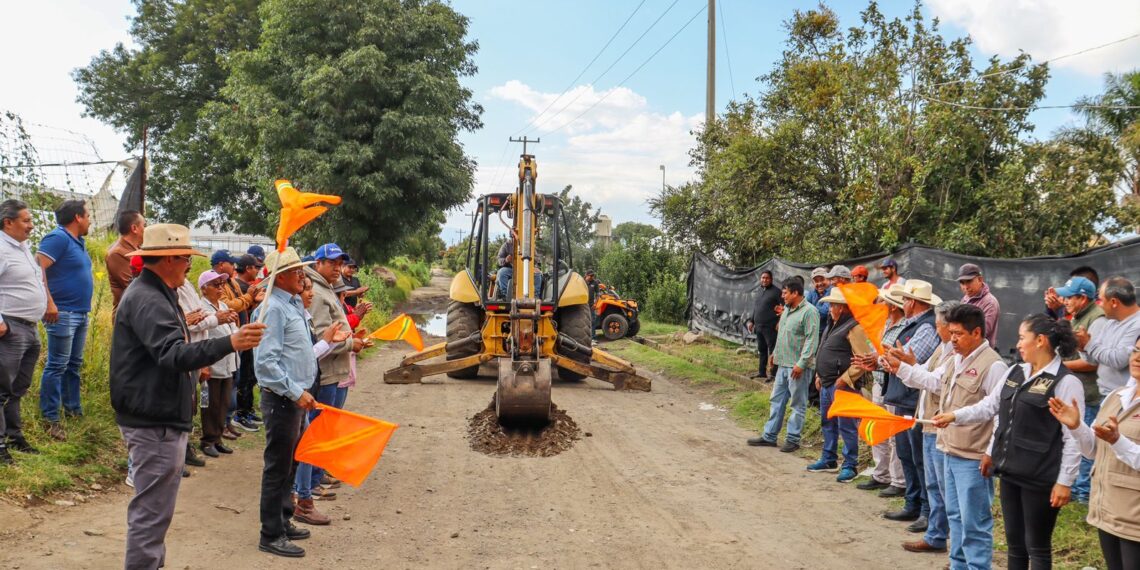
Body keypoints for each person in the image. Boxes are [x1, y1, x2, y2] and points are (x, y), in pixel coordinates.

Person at [111, 223, 264, 568]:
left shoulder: (156, 293)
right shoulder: (148, 298)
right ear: (168, 259)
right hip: (153, 418)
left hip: (157, 414)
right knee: (151, 513)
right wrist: (229, 342)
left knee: (155, 510)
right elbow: (173, 354)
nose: (189, 268)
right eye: (186, 260)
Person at [934, 314, 1084, 570]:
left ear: (1040, 340)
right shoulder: (1017, 372)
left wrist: (1064, 482)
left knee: (1036, 547)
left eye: (1022, 338)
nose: (1018, 344)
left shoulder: (1066, 382)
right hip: (1011, 470)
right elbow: (992, 408)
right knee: (1015, 546)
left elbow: (1073, 438)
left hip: (1040, 476)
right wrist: (956, 417)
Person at [887, 303, 1008, 570]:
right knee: (954, 514)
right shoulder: (954, 359)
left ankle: (977, 566)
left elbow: (997, 412)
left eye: (958, 334)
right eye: (950, 332)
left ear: (977, 333)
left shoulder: (994, 366)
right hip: (948, 449)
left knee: (974, 520)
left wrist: (990, 451)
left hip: (972, 456)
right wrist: (901, 368)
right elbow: (932, 381)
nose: (952, 339)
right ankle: (958, 564)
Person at [1049, 335, 1140, 570]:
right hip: (1107, 511)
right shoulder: (1116, 396)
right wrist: (1076, 426)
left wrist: (1118, 441)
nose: (1137, 358)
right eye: (1135, 351)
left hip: (1134, 520)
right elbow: (1094, 451)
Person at [253, 246, 319, 558]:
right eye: (295, 271)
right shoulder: (273, 309)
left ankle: (283, 519)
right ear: (279, 278)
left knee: (290, 464)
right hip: (282, 400)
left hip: (295, 399)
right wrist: (295, 391)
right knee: (277, 467)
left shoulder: (290, 304)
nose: (301, 275)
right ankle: (270, 533)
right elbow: (266, 364)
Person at [878, 280, 942, 530]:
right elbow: (894, 357)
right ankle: (913, 503)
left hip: (911, 399)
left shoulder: (925, 327)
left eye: (904, 299)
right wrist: (889, 358)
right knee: (907, 453)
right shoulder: (915, 324)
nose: (901, 303)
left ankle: (924, 509)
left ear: (912, 302)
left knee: (918, 457)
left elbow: (906, 357)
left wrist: (890, 358)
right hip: (903, 396)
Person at [897, 300, 960, 555]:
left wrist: (904, 366)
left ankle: (955, 547)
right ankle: (935, 535)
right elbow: (923, 373)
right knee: (933, 485)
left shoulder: (954, 354)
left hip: (939, 425)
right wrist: (904, 366)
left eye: (938, 325)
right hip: (928, 422)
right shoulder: (942, 348)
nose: (936, 329)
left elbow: (935, 383)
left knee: (945, 490)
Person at [303, 243, 364, 500]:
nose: (337, 268)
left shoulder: (326, 288)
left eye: (340, 263)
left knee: (328, 426)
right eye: (332, 263)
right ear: (318, 264)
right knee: (321, 427)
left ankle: (319, 473)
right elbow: (322, 337)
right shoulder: (316, 292)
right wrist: (351, 343)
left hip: (337, 368)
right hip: (326, 371)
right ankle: (311, 483)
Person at [293, 275, 351, 526]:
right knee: (310, 438)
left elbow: (308, 352)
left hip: (305, 386)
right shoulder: (280, 312)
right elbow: (275, 362)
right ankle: (303, 495)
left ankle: (303, 494)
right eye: (305, 289)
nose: (310, 293)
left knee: (316, 435)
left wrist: (329, 342)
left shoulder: (300, 314)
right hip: (296, 390)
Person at [36, 199, 94, 441]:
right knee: (57, 364)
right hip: (62, 313)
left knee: (73, 364)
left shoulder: (78, 242)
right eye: (88, 215)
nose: (90, 219)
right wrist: (48, 302)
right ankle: (51, 418)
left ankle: (73, 410)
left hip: (79, 312)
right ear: (77, 218)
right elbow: (38, 269)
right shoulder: (58, 238)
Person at [807, 287, 872, 483]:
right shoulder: (832, 324)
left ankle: (850, 465)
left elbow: (863, 360)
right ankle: (829, 459)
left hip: (844, 385)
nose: (830, 307)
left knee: (847, 426)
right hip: (827, 382)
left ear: (842, 308)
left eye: (833, 304)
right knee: (828, 422)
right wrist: (819, 374)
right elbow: (823, 350)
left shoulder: (854, 327)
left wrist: (846, 378)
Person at [747, 278, 820, 451]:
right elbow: (782, 334)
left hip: (798, 368)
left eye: (785, 292)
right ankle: (769, 436)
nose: (782, 296)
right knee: (777, 400)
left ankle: (793, 439)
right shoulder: (787, 309)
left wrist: (801, 363)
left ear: (795, 293)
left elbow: (812, 340)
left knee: (798, 404)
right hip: (783, 364)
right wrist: (774, 354)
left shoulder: (810, 312)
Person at [0, 200, 48, 463]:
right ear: (8, 222)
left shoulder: (22, 247)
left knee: (18, 388)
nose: (31, 225)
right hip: (9, 328)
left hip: (29, 327)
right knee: (1, 389)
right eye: (26, 220)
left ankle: (14, 437)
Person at [1054, 276, 1107, 504]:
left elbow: (1093, 362)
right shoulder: (1078, 316)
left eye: (1069, 296)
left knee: (1084, 441)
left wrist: (1059, 367)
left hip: (1090, 392)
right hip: (1077, 389)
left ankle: (1082, 494)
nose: (1065, 300)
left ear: (1082, 298)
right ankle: (1076, 488)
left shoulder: (1097, 320)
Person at [856, 285, 907, 495]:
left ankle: (898, 481)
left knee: (893, 433)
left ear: (893, 307)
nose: (879, 304)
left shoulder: (903, 327)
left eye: (883, 301)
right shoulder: (885, 324)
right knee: (878, 430)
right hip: (879, 381)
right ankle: (881, 474)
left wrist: (876, 359)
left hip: (894, 385)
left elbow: (896, 357)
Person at [213, 249, 266, 433]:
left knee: (242, 377)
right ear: (221, 265)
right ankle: (229, 421)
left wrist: (251, 300)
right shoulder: (215, 283)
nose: (234, 266)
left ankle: (229, 421)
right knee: (231, 381)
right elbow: (229, 305)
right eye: (230, 263)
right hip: (227, 337)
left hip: (238, 333)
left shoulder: (231, 282)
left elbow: (240, 304)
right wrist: (249, 297)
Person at [197, 270, 241, 458]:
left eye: (222, 284)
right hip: (212, 364)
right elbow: (199, 335)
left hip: (228, 363)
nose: (221, 288)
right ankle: (207, 440)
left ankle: (217, 438)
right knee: (210, 404)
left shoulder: (222, 304)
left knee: (224, 403)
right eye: (216, 285)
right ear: (204, 288)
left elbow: (232, 329)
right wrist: (202, 365)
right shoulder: (200, 307)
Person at [233, 253, 264, 431]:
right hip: (241, 337)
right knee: (243, 376)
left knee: (250, 375)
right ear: (248, 269)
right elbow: (238, 306)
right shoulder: (241, 287)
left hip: (248, 336)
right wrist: (251, 299)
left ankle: (247, 409)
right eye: (256, 267)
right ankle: (240, 413)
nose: (258, 271)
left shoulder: (247, 287)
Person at [106, 209, 145, 311]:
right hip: (128, 316)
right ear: (134, 228)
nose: (146, 229)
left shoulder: (138, 249)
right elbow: (136, 286)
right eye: (144, 225)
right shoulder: (117, 253)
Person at [747, 270, 781, 380]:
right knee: (761, 350)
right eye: (762, 278)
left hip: (771, 327)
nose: (764, 280)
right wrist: (752, 321)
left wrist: (780, 322)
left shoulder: (777, 292)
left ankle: (773, 374)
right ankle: (762, 372)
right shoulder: (759, 291)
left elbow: (784, 308)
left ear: (771, 279)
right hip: (759, 326)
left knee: (772, 351)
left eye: (767, 278)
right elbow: (756, 308)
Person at [958, 263, 1001, 350]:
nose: (966, 287)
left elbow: (982, 333)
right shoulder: (965, 299)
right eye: (962, 282)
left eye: (969, 281)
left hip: (981, 354)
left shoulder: (990, 302)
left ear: (980, 280)